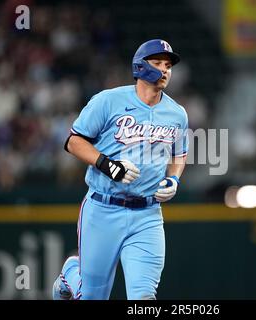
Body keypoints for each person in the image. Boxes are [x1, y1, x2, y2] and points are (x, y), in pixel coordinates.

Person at [52, 39, 189, 300]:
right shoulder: (108, 101)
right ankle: (72, 270)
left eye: (169, 65)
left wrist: (173, 179)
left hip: (147, 215)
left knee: (144, 299)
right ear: (140, 67)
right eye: (158, 63)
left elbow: (179, 154)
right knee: (92, 296)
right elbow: (73, 140)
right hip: (103, 209)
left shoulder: (176, 113)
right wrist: (107, 165)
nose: (165, 70)